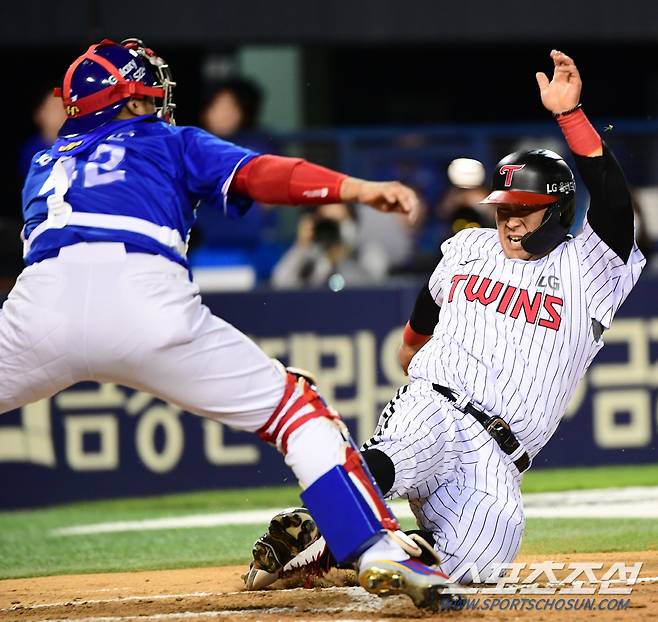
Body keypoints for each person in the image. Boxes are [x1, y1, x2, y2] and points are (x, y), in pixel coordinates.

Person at [9, 38, 459, 610]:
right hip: (143, 300)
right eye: (146, 93)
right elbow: (262, 173)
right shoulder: (165, 140)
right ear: (128, 99)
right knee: (298, 411)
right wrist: (354, 188)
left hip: (38, 305)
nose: (156, 102)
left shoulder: (44, 161)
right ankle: (376, 550)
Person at [244, 50, 645, 587]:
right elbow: (421, 323)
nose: (509, 220)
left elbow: (617, 205)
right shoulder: (468, 248)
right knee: (402, 447)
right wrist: (416, 354)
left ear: (558, 211)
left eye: (523, 209)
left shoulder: (589, 267)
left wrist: (571, 117)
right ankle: (320, 521)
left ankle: (339, 557)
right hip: (439, 401)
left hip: (498, 462)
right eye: (504, 208)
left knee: (469, 575)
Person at [271, 203, 389, 289]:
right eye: (328, 223)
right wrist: (301, 246)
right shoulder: (313, 256)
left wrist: (341, 256)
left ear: (353, 223)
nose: (333, 230)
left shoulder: (367, 251)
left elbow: (375, 288)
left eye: (338, 222)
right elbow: (280, 282)